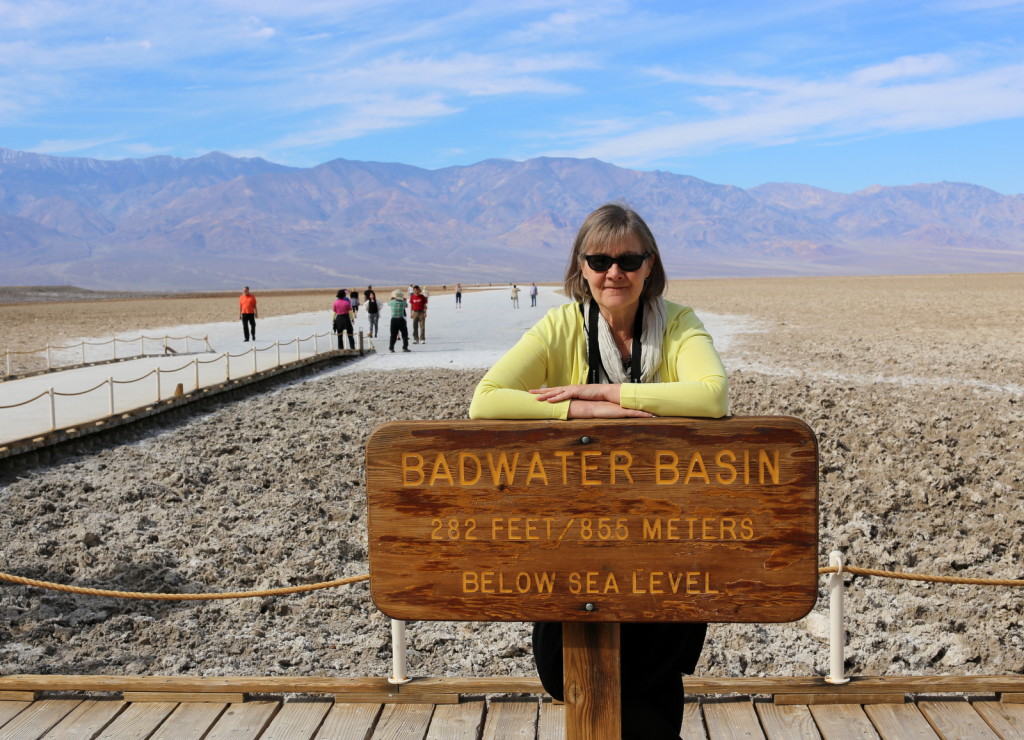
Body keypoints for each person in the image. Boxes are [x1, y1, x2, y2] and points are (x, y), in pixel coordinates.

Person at [469, 203, 728, 739]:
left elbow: (712, 395)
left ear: (650, 265)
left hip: (664, 539)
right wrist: (580, 411)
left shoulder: (677, 324)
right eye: (600, 258)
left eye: (630, 258)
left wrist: (605, 390)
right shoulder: (560, 327)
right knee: (571, 674)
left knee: (652, 685)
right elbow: (486, 400)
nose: (616, 271)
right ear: (581, 266)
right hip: (574, 540)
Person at [388, 289, 411, 353]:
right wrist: (404, 300)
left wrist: (392, 298)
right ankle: (405, 347)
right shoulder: (403, 303)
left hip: (393, 320)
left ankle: (391, 347)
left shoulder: (391, 302)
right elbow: (406, 306)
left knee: (393, 335)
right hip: (401, 319)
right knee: (404, 334)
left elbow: (388, 303)